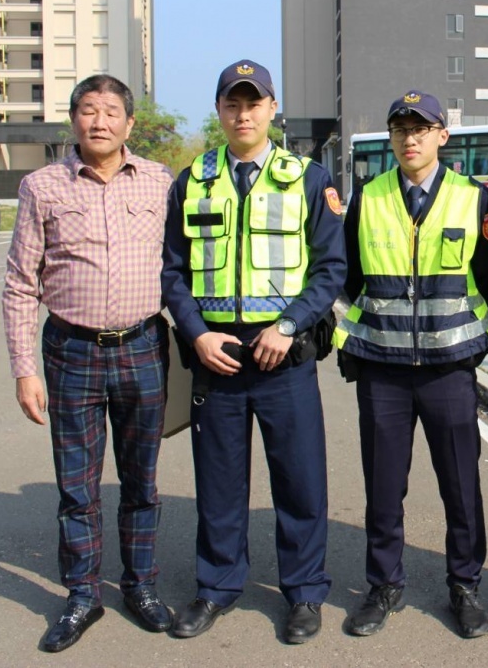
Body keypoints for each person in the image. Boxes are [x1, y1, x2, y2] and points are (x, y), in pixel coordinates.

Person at [161, 59, 346, 644]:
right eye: (231, 104)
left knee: (300, 481)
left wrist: (288, 326)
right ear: (219, 111)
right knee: (219, 482)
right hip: (217, 355)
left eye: (253, 103)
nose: (243, 114)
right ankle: (216, 587)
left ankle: (304, 592)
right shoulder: (192, 181)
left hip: (282, 355)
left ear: (272, 109)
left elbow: (330, 268)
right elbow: (172, 271)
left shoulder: (309, 179)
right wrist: (196, 332)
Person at [1, 74, 175, 652]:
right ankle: (81, 595)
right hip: (71, 351)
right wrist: (24, 367)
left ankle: (140, 585)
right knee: (77, 488)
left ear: (129, 122)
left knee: (141, 482)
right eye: (87, 110)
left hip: (143, 347)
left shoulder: (157, 181)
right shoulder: (41, 187)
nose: (98, 121)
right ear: (73, 119)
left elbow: (178, 267)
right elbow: (21, 284)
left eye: (110, 111)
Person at [335, 90, 488, 639]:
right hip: (381, 366)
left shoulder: (474, 199)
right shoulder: (367, 197)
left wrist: (483, 347)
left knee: (460, 483)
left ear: (442, 135)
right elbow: (348, 279)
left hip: (450, 366)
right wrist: (356, 343)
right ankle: (383, 586)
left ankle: (465, 586)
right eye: (401, 128)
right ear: (390, 137)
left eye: (422, 128)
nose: (411, 138)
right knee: (383, 487)